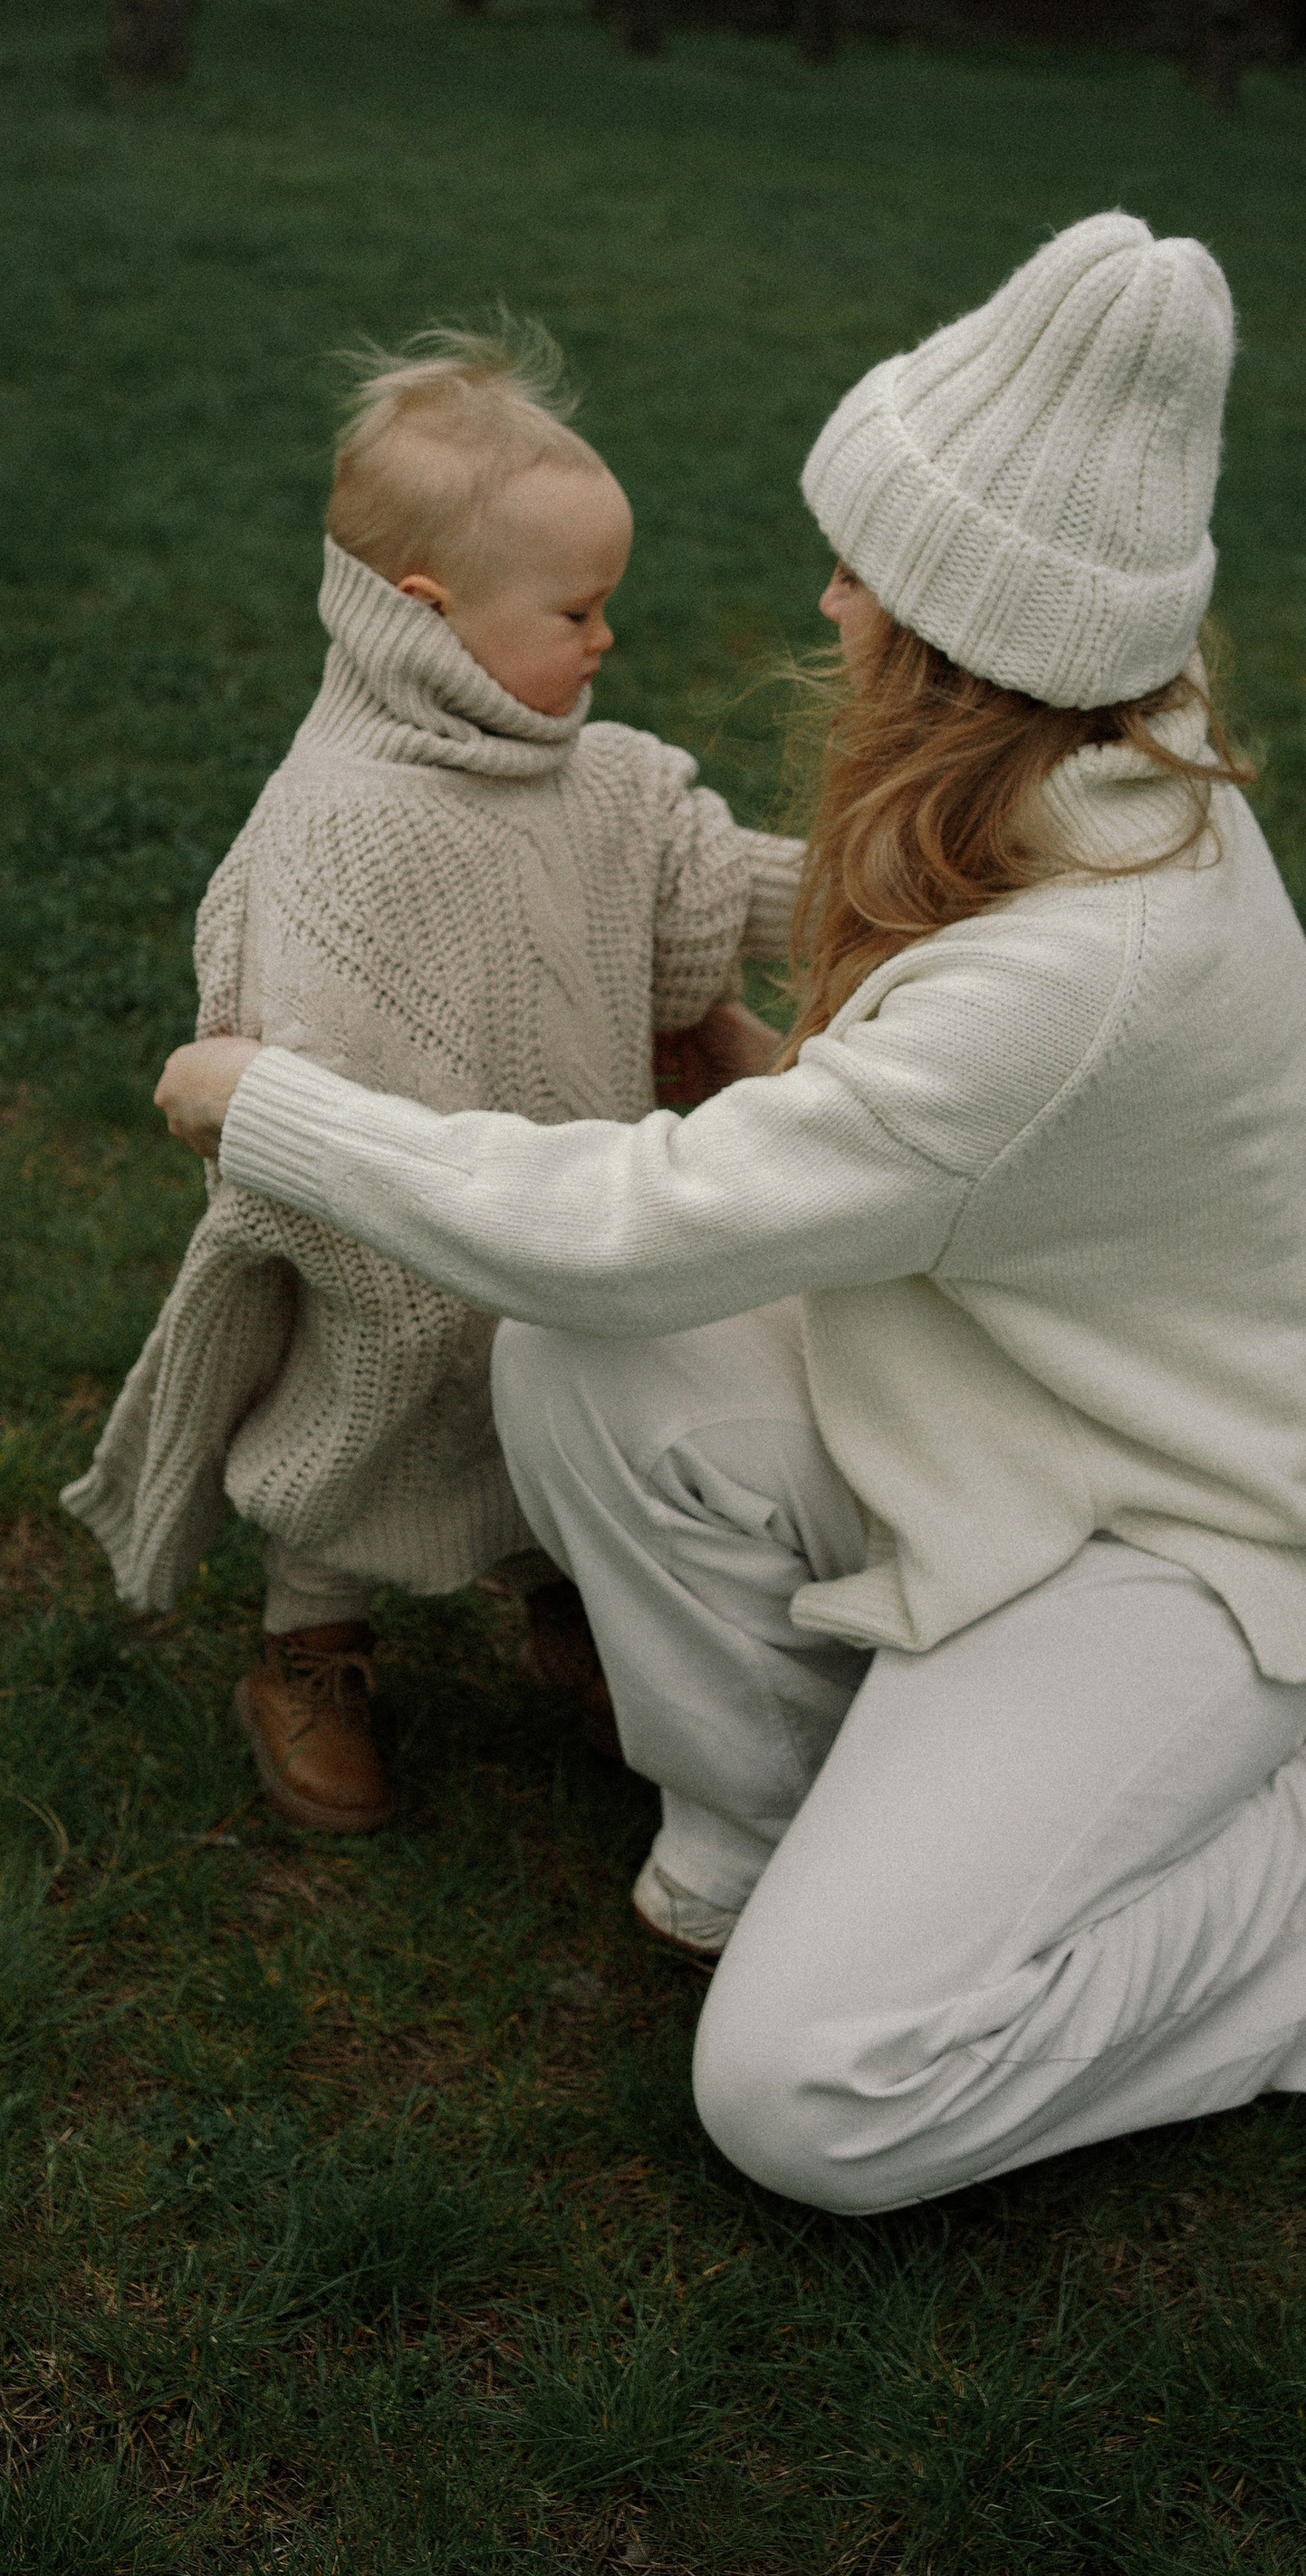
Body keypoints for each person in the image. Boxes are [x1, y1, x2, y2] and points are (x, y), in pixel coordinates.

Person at [152, 214, 1306, 2215]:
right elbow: (869, 1131)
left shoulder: (1075, 973)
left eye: (867, 567)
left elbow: (639, 1218)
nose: (830, 595)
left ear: (964, 634)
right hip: (986, 1426)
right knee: (583, 1375)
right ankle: (789, 1838)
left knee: (812, 2101)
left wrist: (279, 1110)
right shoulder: (1100, 770)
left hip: (1159, 1549)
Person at [62, 328, 802, 1835]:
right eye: (579, 611)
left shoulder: (586, 770)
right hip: (389, 1237)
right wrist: (383, 1221)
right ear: (429, 615)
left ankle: (575, 1605)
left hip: (571, 1202)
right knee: (369, 1422)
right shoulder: (339, 830)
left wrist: (916, 890)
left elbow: (699, 875)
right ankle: (312, 1648)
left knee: (581, 1403)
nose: (607, 642)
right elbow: (299, 1069)